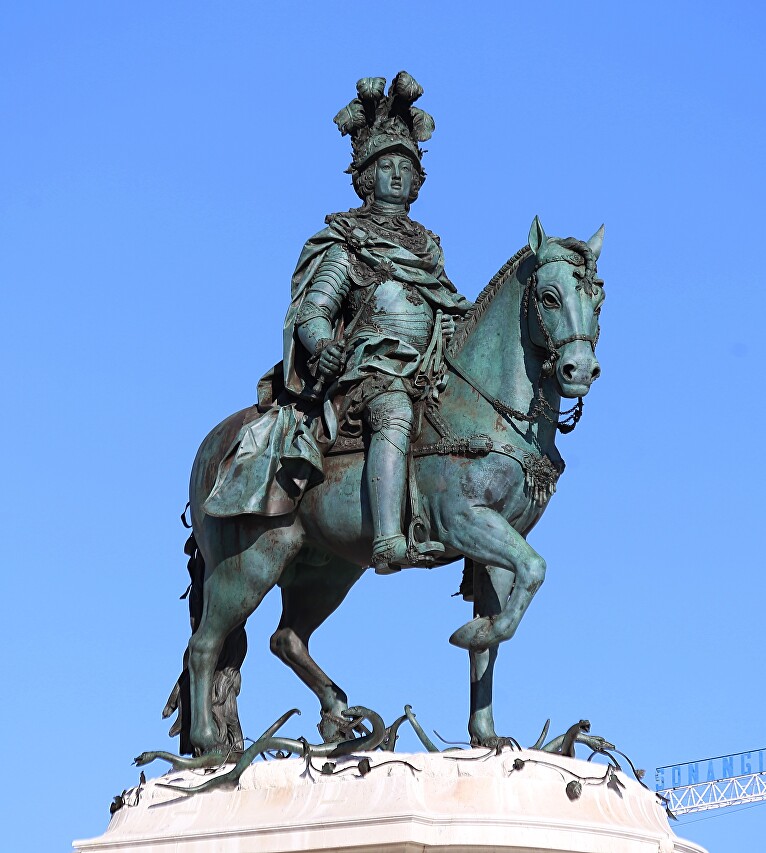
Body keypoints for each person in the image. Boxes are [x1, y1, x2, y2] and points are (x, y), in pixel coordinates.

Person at [282, 72, 472, 571]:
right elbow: (314, 311)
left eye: (405, 167)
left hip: (426, 369)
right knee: (393, 408)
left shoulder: (428, 248)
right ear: (367, 175)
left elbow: (445, 303)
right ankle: (389, 537)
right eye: (385, 165)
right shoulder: (346, 242)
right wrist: (323, 345)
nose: (396, 175)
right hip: (369, 371)